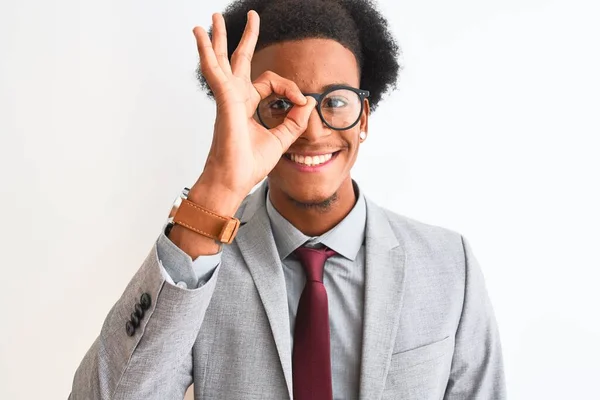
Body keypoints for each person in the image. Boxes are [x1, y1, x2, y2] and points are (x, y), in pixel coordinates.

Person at [70, 0, 506, 399]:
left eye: (335, 101)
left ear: (364, 118)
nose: (312, 130)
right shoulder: (201, 262)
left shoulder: (450, 266)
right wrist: (218, 189)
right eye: (279, 103)